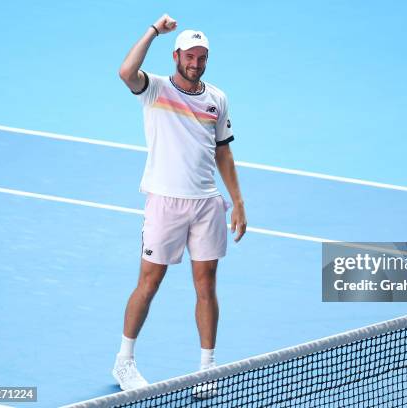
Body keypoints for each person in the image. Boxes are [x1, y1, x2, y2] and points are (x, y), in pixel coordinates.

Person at [113, 13, 247, 392]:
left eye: (202, 57)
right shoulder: (154, 89)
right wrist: (154, 30)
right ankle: (124, 361)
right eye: (190, 56)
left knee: (207, 286)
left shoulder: (217, 98)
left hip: (207, 204)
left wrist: (237, 201)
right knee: (149, 282)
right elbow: (126, 71)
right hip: (165, 203)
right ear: (176, 56)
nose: (196, 63)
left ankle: (207, 367)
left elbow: (224, 153)